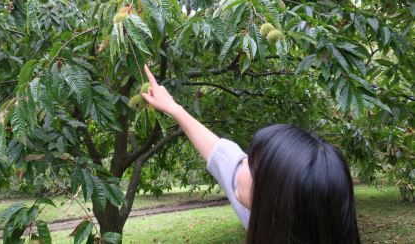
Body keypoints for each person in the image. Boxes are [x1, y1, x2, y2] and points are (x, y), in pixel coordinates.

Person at [141, 64, 361, 244]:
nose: (241, 160)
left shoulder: (267, 219)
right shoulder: (275, 220)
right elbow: (222, 154)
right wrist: (173, 107)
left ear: (274, 200)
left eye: (252, 163)